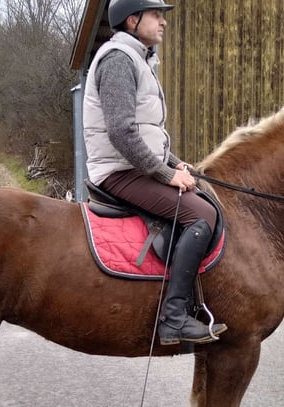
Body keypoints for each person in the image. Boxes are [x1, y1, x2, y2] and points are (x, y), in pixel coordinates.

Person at [83, 0, 226, 345]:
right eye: (156, 15)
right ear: (133, 20)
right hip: (118, 171)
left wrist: (174, 162)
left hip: (133, 165)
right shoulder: (118, 59)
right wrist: (165, 175)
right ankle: (174, 317)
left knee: (201, 196)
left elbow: (148, 132)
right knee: (202, 215)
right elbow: (121, 132)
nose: (163, 22)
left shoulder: (140, 60)